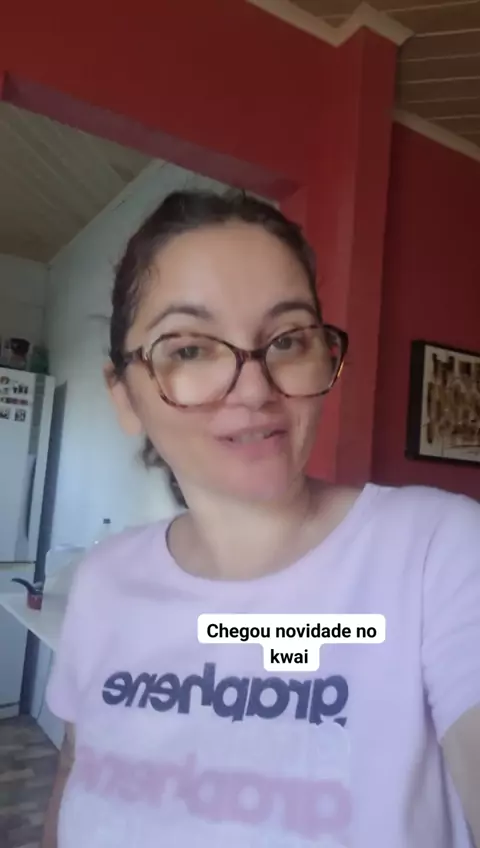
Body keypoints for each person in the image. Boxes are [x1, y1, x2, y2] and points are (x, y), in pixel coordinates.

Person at [42, 190, 480, 848]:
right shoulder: (103, 582)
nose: (254, 390)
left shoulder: (437, 553)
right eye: (190, 350)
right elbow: (74, 766)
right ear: (124, 395)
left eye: (288, 339)